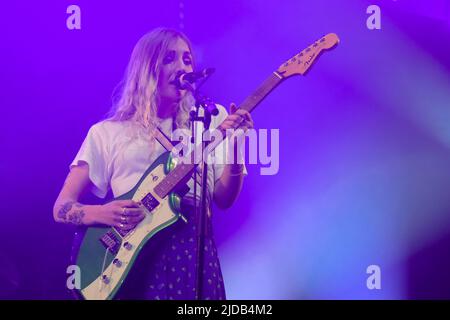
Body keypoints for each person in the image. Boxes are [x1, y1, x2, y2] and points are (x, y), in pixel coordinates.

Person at [53, 27, 253, 300]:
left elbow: (224, 198)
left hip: (195, 252)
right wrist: (102, 213)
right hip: (134, 258)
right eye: (169, 58)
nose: (181, 67)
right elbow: (62, 207)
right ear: (146, 68)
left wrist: (236, 144)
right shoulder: (107, 132)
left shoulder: (209, 119)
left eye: (187, 60)